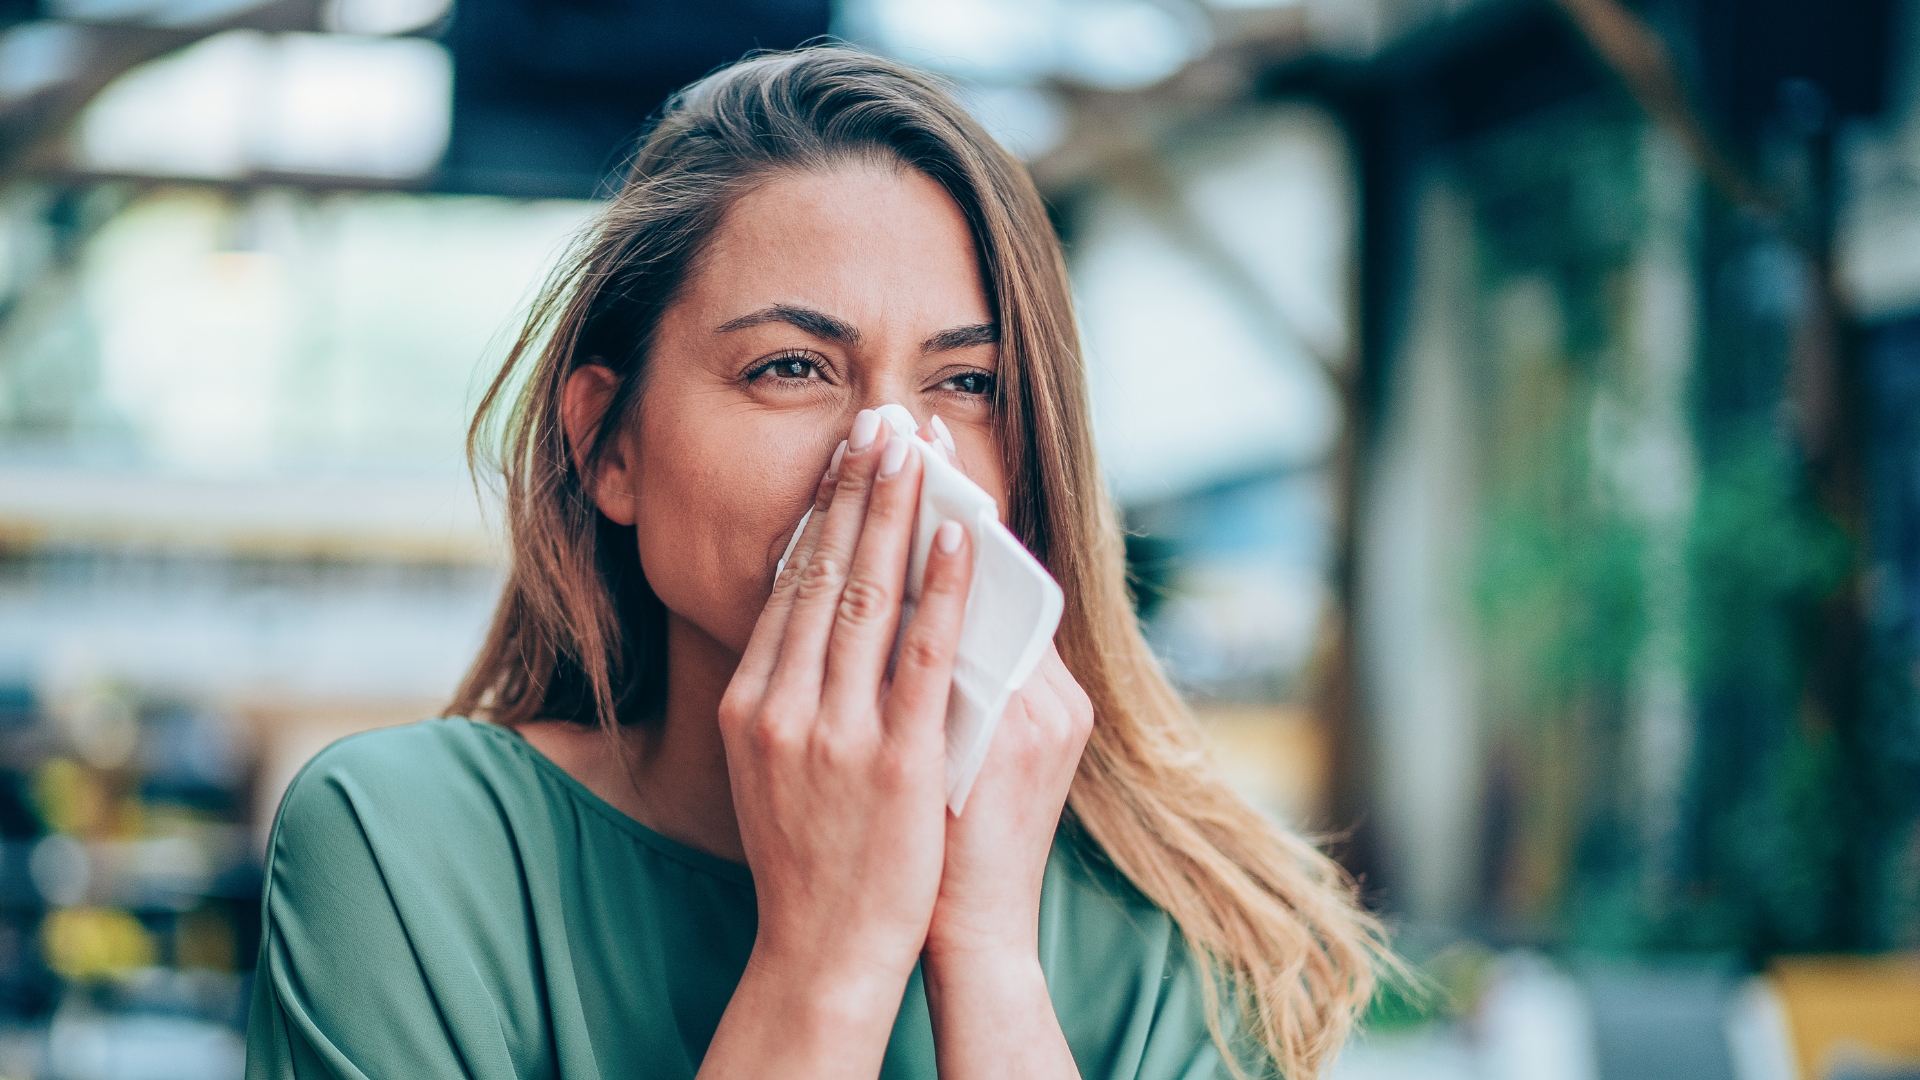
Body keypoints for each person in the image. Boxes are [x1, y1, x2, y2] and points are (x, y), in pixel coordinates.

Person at [245, 46, 1384, 1080]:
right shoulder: (401, 851)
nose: (891, 453)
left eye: (965, 383)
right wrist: (824, 966)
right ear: (609, 446)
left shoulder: (1174, 925)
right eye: (792, 368)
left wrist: (989, 963)